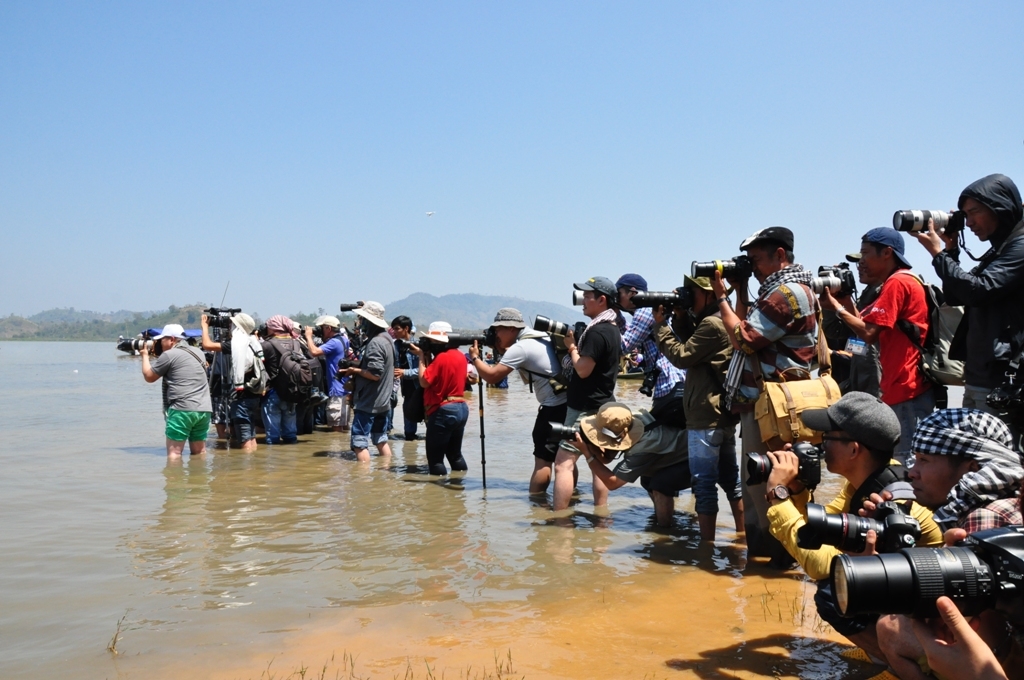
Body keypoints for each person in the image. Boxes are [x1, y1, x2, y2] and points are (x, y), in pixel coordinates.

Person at [764, 392, 943, 660]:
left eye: (827, 438)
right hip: (909, 596)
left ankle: (896, 661)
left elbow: (822, 565)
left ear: (854, 450)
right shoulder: (869, 478)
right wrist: (797, 489)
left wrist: (778, 497)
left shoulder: (887, 502)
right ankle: (884, 648)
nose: (820, 447)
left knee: (833, 591)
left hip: (933, 609)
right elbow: (823, 529)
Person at [873, 408, 1024, 680]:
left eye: (924, 460)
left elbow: (980, 625)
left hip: (1005, 659)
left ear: (973, 468)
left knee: (890, 628)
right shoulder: (1000, 500)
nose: (912, 472)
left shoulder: (983, 518)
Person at [711, 226, 819, 565]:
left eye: (756, 260)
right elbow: (747, 324)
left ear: (780, 256)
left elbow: (743, 337)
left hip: (775, 406)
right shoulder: (781, 291)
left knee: (768, 484)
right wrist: (740, 289)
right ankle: (764, 566)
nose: (752, 266)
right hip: (768, 403)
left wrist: (721, 297)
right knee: (759, 485)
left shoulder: (785, 294)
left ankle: (777, 563)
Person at [912, 174, 1024, 418]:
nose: (970, 222)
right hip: (978, 375)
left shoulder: (1020, 246)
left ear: (1000, 208)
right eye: (965, 215)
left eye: (975, 212)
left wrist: (938, 255)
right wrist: (951, 252)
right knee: (971, 453)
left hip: (1002, 378)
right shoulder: (1000, 250)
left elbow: (978, 291)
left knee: (991, 455)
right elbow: (956, 296)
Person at [820, 227, 933, 465]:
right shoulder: (895, 282)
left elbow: (869, 334)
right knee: (896, 461)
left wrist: (837, 309)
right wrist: (844, 302)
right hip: (899, 388)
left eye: (865, 253)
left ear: (887, 253)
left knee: (905, 464)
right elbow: (863, 324)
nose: (862, 261)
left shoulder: (898, 282)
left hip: (906, 388)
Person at [652, 275, 744, 541]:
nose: (688, 297)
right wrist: (680, 316)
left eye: (692, 293)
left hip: (706, 417)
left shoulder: (712, 325)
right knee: (731, 483)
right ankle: (742, 538)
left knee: (703, 484)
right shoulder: (718, 320)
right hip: (721, 416)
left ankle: (706, 550)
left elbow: (682, 356)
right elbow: (694, 342)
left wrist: (661, 327)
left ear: (706, 294)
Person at [470, 308, 568, 494]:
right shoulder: (540, 336)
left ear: (511, 328)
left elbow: (492, 377)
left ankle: (537, 506)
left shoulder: (521, 347)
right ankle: (570, 498)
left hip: (552, 408)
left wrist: (474, 357)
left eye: (498, 329)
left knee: (543, 461)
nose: (495, 334)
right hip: (567, 404)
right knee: (564, 459)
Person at [553, 276, 624, 512]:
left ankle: (559, 522)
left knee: (563, 464)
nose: (582, 300)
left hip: (583, 407)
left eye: (587, 296)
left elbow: (582, 370)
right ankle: (601, 516)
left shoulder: (597, 332)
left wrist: (572, 347)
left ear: (601, 300)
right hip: (603, 404)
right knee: (598, 463)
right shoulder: (613, 328)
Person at [574, 403, 692, 527]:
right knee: (647, 479)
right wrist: (589, 445)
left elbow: (613, 483)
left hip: (695, 458)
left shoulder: (645, 446)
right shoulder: (630, 421)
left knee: (659, 484)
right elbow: (607, 458)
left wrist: (587, 454)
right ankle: (662, 517)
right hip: (675, 451)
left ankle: (665, 531)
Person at [615, 273, 687, 416]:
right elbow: (633, 333)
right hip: (678, 382)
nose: (616, 297)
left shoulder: (644, 312)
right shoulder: (650, 310)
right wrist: (616, 313)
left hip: (668, 383)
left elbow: (624, 347)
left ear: (632, 293)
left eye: (619, 293)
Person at [140, 323, 213, 459]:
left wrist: (145, 356)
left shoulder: (169, 355)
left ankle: (174, 480)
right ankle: (200, 479)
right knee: (199, 453)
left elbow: (149, 377)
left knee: (174, 454)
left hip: (182, 409)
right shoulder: (198, 353)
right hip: (204, 409)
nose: (160, 343)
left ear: (172, 339)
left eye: (163, 339)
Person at [336, 301, 394, 462]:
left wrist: (354, 370)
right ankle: (385, 471)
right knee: (380, 438)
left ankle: (363, 480)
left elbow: (375, 374)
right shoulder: (387, 338)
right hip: (383, 401)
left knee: (359, 443)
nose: (360, 322)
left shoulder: (376, 342)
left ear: (369, 321)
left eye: (362, 319)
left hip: (370, 401)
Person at [200, 312, 264, 452]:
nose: (229, 327)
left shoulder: (237, 344)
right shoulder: (252, 342)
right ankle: (254, 465)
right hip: (253, 395)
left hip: (242, 398)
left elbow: (207, 345)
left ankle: (246, 469)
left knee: (245, 437)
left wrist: (205, 327)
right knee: (250, 434)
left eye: (232, 324)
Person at [820, 253, 882, 397]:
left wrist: (835, 354)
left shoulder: (886, 292)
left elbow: (870, 339)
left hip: (879, 381)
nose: (860, 266)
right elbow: (837, 331)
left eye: (864, 261)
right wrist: (834, 302)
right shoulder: (866, 296)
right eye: (858, 263)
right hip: (861, 378)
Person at [412, 321, 470, 476]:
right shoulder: (461, 356)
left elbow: (424, 381)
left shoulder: (441, 358)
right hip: (461, 407)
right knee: (455, 455)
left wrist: (421, 357)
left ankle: (437, 493)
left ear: (436, 341)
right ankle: (459, 488)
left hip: (443, 410)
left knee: (436, 460)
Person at [260, 315, 302, 445]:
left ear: (273, 328)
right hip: (292, 392)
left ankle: (273, 463)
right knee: (290, 435)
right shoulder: (296, 343)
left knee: (272, 437)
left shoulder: (266, 345)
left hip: (272, 392)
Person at [303, 316, 350, 433]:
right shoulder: (343, 339)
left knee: (336, 428)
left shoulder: (333, 342)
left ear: (328, 328)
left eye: (322, 328)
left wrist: (309, 336)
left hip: (336, 389)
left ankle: (335, 451)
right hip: (345, 387)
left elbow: (314, 352)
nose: (320, 331)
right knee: (344, 425)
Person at [391, 316, 421, 440]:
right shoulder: (396, 346)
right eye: (393, 329)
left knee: (428, 418)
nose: (394, 332)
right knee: (409, 429)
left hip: (420, 387)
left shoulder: (418, 346)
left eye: (397, 329)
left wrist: (405, 372)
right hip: (406, 389)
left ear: (406, 328)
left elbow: (424, 370)